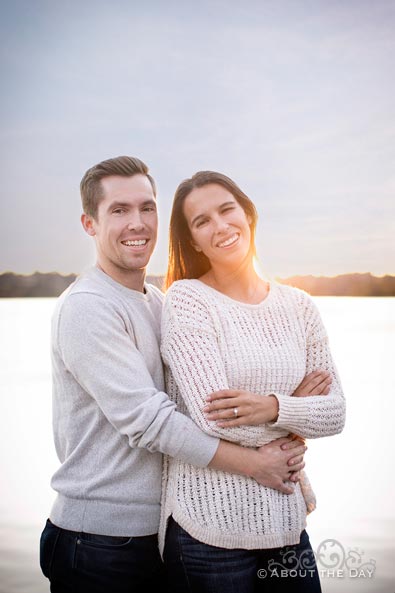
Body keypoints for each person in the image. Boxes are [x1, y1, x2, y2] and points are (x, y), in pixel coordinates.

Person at [39, 156, 309, 593]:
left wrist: (290, 405)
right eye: (119, 211)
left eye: (147, 208)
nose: (138, 223)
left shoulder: (160, 302)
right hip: (99, 541)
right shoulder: (87, 307)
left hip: (162, 530)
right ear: (89, 224)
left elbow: (208, 399)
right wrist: (257, 464)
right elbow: (151, 420)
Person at [160, 170, 346, 592]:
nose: (220, 226)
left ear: (248, 215)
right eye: (202, 221)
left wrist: (275, 406)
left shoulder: (299, 305)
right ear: (193, 240)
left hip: (286, 523)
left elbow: (336, 413)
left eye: (227, 210)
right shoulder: (188, 300)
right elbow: (215, 418)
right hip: (209, 532)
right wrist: (298, 411)